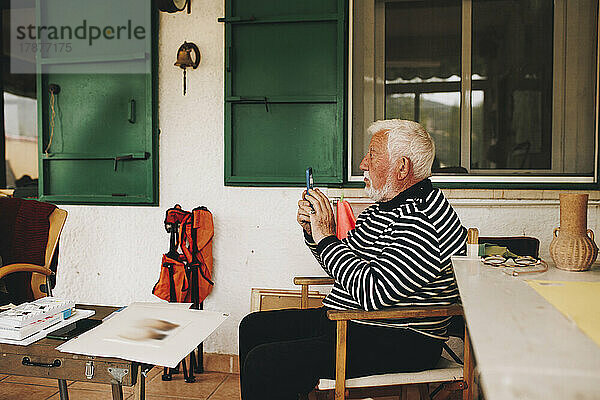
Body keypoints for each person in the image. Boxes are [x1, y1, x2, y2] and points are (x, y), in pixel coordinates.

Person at [238, 119, 467, 400]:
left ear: (402, 166)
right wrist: (315, 233)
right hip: (350, 322)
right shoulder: (381, 211)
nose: (362, 163)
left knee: (266, 362)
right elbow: (342, 269)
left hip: (399, 338)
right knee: (253, 328)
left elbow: (374, 293)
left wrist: (327, 238)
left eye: (372, 154)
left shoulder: (424, 218)